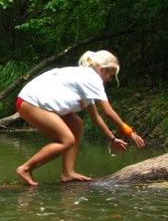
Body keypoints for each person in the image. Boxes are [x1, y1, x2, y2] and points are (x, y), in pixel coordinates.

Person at [15, 50, 146, 186]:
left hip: (32, 101)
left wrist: (112, 139)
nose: (110, 79)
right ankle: (25, 168)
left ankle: (68, 172)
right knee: (67, 140)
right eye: (110, 75)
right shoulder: (93, 79)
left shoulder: (85, 79)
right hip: (30, 102)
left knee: (77, 124)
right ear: (102, 70)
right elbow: (108, 112)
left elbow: (95, 116)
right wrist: (129, 132)